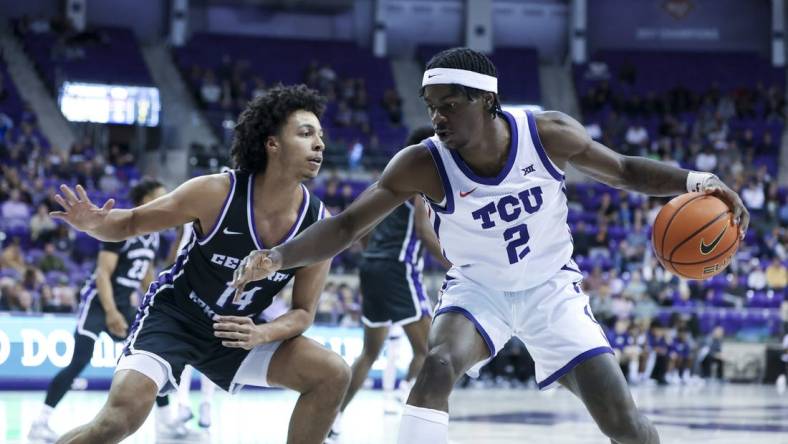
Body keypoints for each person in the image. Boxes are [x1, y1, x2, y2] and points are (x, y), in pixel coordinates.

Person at [235, 48, 752, 443]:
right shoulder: (422, 162)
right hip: (478, 292)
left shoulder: (547, 134)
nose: (438, 118)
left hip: (552, 290)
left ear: (486, 101)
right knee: (437, 364)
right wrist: (278, 256)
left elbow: (622, 171)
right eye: (432, 107)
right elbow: (347, 226)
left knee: (625, 425)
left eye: (450, 106)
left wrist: (697, 180)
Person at [48, 85, 351, 444]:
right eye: (305, 134)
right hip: (176, 317)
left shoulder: (319, 224)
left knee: (332, 373)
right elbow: (130, 223)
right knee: (118, 422)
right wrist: (95, 224)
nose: (319, 144)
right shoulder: (216, 193)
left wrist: (261, 333)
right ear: (272, 144)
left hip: (235, 333)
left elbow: (303, 312)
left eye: (320, 136)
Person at [29, 178, 179, 442]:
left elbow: (145, 275)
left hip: (123, 303)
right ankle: (40, 423)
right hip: (99, 301)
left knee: (154, 356)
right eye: (161, 195)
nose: (167, 200)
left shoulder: (154, 236)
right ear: (146, 200)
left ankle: (166, 424)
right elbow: (103, 274)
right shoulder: (122, 227)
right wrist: (111, 312)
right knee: (78, 362)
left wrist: (156, 300)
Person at [328, 127, 450, 442]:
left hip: (371, 267)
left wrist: (375, 256)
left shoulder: (386, 183)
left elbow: (362, 229)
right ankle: (404, 396)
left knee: (370, 351)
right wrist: (454, 264)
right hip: (399, 267)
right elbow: (424, 233)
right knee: (428, 350)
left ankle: (334, 417)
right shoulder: (418, 187)